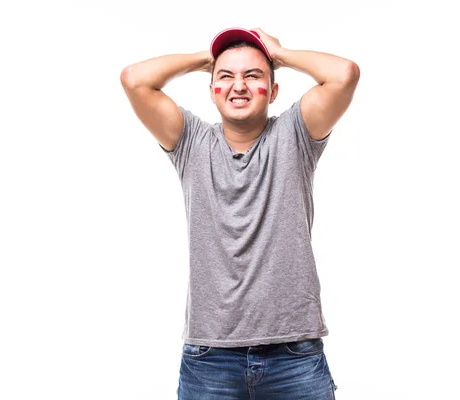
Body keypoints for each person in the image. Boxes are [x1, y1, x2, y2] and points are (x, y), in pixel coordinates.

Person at [120, 27, 359, 399]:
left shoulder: (295, 134)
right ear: (211, 89)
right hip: (209, 357)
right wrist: (206, 59)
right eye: (226, 77)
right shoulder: (191, 143)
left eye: (253, 75)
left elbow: (344, 74)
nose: (239, 86)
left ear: (274, 90)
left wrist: (280, 53)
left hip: (293, 353)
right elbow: (135, 80)